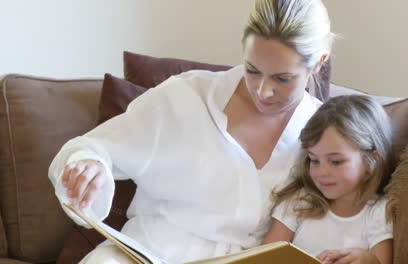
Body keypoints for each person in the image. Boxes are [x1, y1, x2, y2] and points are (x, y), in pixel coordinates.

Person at [48, 0, 335, 263]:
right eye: (253, 70)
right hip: (146, 254)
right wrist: (88, 166)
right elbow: (93, 148)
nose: (263, 91)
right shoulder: (185, 96)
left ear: (319, 63)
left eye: (282, 79)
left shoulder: (325, 133)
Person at [262, 95, 396, 264]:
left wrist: (365, 259)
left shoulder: (378, 212)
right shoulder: (299, 202)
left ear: (371, 161)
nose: (322, 172)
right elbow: (265, 257)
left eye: (336, 161)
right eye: (314, 160)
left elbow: (382, 262)